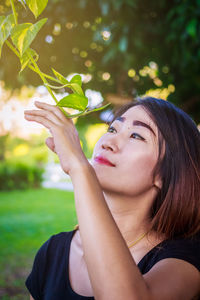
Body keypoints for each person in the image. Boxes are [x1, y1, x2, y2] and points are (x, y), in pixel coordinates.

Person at [24, 97, 200, 300]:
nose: (108, 143)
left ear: (167, 173)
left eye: (136, 135)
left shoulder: (185, 258)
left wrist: (80, 169)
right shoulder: (52, 251)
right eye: (112, 130)